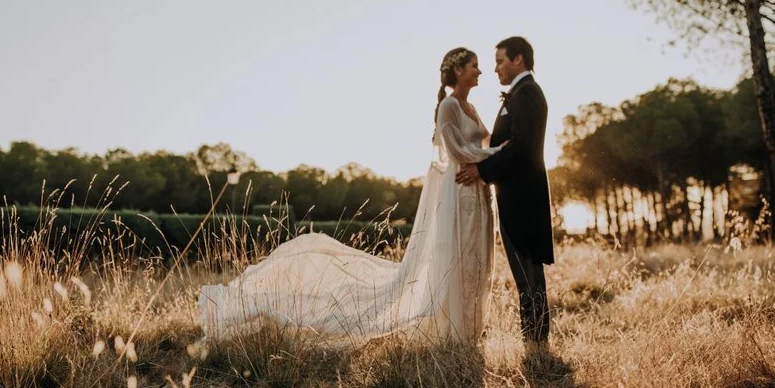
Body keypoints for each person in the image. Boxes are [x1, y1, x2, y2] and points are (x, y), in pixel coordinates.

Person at [198, 47, 500, 347]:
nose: (480, 71)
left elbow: (482, 140)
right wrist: (499, 154)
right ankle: (453, 330)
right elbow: (457, 151)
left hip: (476, 189)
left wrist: (493, 154)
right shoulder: (448, 105)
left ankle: (468, 329)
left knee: (474, 258)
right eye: (475, 65)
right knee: (456, 257)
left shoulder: (471, 108)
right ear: (459, 70)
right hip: (459, 189)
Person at [456, 36, 553, 346]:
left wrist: (482, 171)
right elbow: (505, 144)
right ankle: (534, 342)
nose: (495, 68)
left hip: (523, 200)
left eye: (500, 61)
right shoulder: (521, 94)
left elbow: (522, 149)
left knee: (528, 275)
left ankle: (536, 344)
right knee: (525, 276)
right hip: (515, 197)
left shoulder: (527, 94)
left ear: (518, 60)